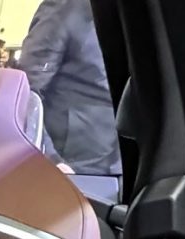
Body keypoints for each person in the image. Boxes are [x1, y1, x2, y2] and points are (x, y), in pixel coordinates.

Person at [16, 0, 122, 175]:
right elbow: (25, 93)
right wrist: (50, 158)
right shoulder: (65, 7)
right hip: (72, 168)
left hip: (121, 164)